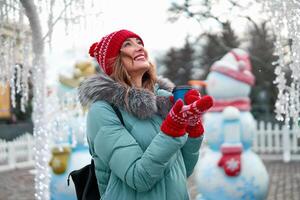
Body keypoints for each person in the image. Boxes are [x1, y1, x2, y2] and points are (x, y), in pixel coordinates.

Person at [78, 29, 213, 200]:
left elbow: (183, 170)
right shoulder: (103, 110)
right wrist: (172, 130)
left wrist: (192, 130)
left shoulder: (165, 101)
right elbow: (139, 178)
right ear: (114, 61)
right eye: (128, 44)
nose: (139, 47)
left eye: (140, 43)